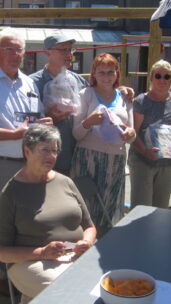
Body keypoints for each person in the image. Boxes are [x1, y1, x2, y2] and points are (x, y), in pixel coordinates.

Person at [0, 28, 53, 295]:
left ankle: (19, 271)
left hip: (28, 163)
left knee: (24, 219)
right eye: (9, 49)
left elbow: (34, 118)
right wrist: (16, 134)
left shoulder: (28, 83)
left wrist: (44, 123)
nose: (15, 54)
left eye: (19, 49)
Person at [0, 124, 96, 304]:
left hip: (76, 255)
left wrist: (86, 242)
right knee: (68, 290)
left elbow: (89, 226)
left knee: (109, 278)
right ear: (27, 151)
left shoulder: (65, 182)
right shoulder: (11, 193)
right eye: (44, 150)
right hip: (30, 261)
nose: (51, 156)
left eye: (54, 150)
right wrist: (42, 252)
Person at [30, 32, 135, 176]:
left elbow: (101, 91)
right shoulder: (33, 83)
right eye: (63, 50)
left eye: (71, 49)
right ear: (47, 53)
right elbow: (27, 123)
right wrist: (50, 118)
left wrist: (120, 90)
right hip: (46, 159)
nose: (69, 54)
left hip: (77, 157)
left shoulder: (78, 81)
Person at [71, 53, 136, 236]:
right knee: (86, 206)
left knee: (109, 207)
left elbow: (131, 134)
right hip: (88, 158)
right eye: (101, 72)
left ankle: (104, 252)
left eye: (110, 72)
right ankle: (82, 249)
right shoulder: (86, 95)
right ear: (94, 74)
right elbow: (76, 133)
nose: (106, 76)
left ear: (117, 74)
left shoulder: (125, 97)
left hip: (115, 160)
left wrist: (131, 133)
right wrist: (88, 122)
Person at [128, 59, 171, 209]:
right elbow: (133, 134)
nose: (162, 80)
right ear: (151, 78)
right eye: (158, 76)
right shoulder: (141, 101)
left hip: (167, 163)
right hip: (143, 161)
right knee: (141, 208)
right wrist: (146, 152)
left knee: (161, 209)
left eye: (167, 76)